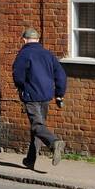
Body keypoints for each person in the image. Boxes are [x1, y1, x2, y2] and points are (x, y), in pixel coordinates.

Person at [11, 27, 67, 170]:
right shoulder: (48, 54)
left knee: (37, 126)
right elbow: (61, 75)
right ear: (37, 39)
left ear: (24, 40)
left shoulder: (24, 54)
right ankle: (30, 160)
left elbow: (18, 75)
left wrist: (21, 88)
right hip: (46, 95)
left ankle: (54, 143)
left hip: (31, 95)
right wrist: (59, 94)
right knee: (38, 127)